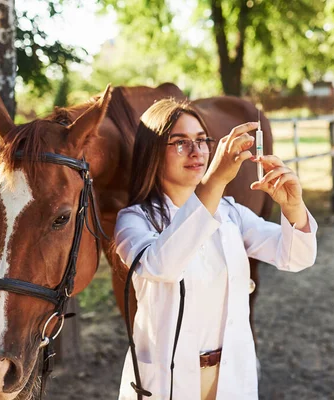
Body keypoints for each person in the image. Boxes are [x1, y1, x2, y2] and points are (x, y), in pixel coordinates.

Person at [114, 99, 318, 400]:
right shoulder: (134, 221)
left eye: (201, 140)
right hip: (167, 382)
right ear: (152, 152)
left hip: (230, 376)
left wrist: (294, 207)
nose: (196, 152)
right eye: (180, 143)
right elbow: (162, 266)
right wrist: (215, 180)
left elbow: (296, 257)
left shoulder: (231, 213)